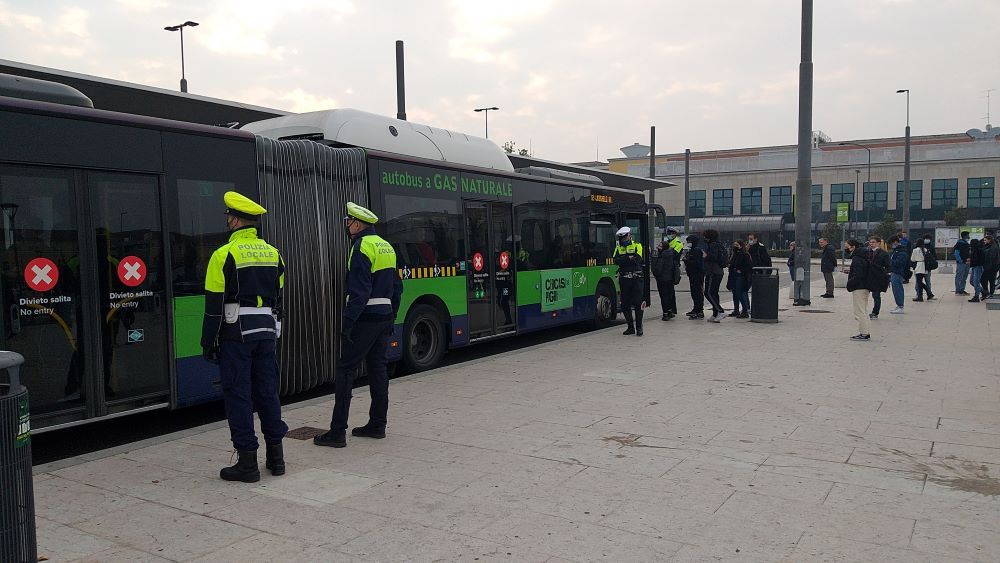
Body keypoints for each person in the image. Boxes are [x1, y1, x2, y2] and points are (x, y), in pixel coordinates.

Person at [202, 191, 287, 483]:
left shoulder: (223, 255)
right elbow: (278, 297)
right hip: (266, 331)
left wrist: (207, 343)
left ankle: (247, 463)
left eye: (228, 216)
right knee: (267, 392)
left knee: (238, 394)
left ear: (236, 220)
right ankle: (276, 457)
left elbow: (214, 304)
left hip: (235, 332)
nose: (227, 221)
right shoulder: (274, 253)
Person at [314, 202, 403, 448]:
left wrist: (348, 323)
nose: (346, 226)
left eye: (348, 222)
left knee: (345, 369)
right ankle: (377, 424)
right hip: (384, 316)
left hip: (366, 318)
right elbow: (397, 289)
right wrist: (391, 316)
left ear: (357, 224)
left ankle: (337, 432)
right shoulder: (386, 246)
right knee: (378, 370)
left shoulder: (360, 247)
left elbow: (359, 293)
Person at [612, 226, 645, 336]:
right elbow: (615, 261)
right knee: (625, 304)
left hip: (636, 279)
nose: (623, 239)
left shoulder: (637, 245)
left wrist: (625, 259)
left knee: (637, 303)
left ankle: (639, 327)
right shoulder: (618, 248)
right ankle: (630, 327)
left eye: (625, 237)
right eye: (621, 238)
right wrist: (628, 258)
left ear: (629, 235)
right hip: (624, 279)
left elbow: (638, 260)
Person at [845, 239, 878, 341]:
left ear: (853, 247)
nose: (845, 248)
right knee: (863, 310)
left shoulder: (857, 258)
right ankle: (865, 332)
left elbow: (859, 274)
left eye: (847, 246)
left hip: (859, 287)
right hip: (864, 286)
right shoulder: (864, 256)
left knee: (859, 311)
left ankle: (864, 333)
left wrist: (850, 283)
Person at [652, 228, 683, 320]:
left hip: (667, 273)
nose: (669, 235)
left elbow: (675, 256)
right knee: (669, 294)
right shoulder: (668, 243)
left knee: (666, 295)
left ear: (674, 234)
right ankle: (670, 311)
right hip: (669, 273)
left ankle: (667, 312)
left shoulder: (678, 243)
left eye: (670, 233)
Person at [702, 229, 726, 323]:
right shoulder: (719, 244)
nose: (704, 238)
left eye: (705, 236)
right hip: (717, 271)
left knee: (708, 292)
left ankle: (720, 311)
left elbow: (713, 257)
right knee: (714, 293)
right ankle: (715, 313)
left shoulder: (713, 245)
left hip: (713, 271)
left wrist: (705, 255)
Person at [726, 240, 752, 318]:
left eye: (737, 245)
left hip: (740, 276)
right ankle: (736, 310)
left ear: (741, 245)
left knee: (739, 293)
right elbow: (731, 263)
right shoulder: (734, 254)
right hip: (733, 275)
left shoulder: (745, 254)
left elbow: (749, 266)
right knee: (735, 293)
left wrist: (741, 270)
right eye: (734, 245)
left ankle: (745, 310)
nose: (735, 246)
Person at [867, 236, 890, 320]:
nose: (871, 244)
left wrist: (885, 275)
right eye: (870, 242)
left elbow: (888, 266)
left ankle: (875, 312)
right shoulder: (867, 252)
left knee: (876, 295)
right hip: (868, 276)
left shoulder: (883, 253)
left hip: (878, 277)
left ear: (878, 243)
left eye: (873, 242)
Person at [684, 234, 705, 319]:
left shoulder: (696, 250)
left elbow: (697, 263)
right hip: (693, 274)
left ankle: (699, 311)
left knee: (697, 293)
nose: (688, 243)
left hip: (697, 274)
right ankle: (696, 308)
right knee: (694, 292)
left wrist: (687, 261)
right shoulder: (692, 250)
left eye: (689, 241)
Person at [887, 236, 908, 314]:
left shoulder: (901, 252)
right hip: (894, 271)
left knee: (898, 289)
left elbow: (899, 263)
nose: (892, 245)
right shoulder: (896, 250)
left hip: (897, 272)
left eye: (892, 243)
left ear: (895, 242)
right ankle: (899, 305)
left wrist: (889, 260)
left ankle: (900, 306)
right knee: (895, 289)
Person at [953, 231, 971, 295]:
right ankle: (958, 290)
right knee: (959, 276)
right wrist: (960, 260)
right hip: (961, 263)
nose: (969, 236)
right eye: (968, 235)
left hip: (967, 262)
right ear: (965, 236)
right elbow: (956, 253)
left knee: (964, 276)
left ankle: (962, 289)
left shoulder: (966, 243)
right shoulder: (959, 243)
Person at [982, 234, 999, 299]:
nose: (984, 241)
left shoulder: (993, 247)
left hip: (992, 267)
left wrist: (988, 267)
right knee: (985, 280)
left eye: (985, 240)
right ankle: (987, 292)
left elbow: (991, 258)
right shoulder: (988, 246)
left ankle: (990, 293)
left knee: (990, 280)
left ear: (990, 240)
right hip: (989, 266)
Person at [968, 238, 985, 302]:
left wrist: (972, 261)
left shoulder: (979, 250)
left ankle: (976, 296)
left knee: (976, 282)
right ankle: (983, 292)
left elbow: (979, 260)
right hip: (974, 267)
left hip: (978, 267)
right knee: (972, 281)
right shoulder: (973, 249)